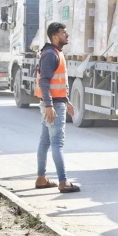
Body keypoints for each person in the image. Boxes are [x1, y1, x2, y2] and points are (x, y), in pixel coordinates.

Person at [34, 22, 80, 193]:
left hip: (56, 103)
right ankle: (63, 182)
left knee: (45, 141)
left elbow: (57, 82)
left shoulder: (55, 53)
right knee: (56, 143)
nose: (66, 36)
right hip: (52, 105)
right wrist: (49, 105)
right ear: (55, 37)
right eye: (63, 33)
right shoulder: (51, 55)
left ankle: (41, 178)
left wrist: (66, 100)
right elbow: (44, 82)